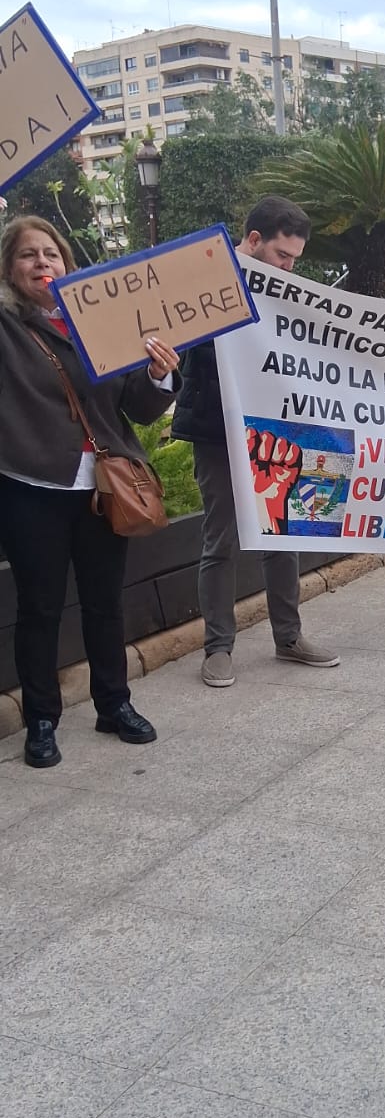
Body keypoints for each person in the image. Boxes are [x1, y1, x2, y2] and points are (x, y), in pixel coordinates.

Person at [0, 216, 180, 768]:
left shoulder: (97, 323)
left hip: (105, 487)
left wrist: (157, 375)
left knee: (105, 603)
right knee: (40, 609)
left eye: (51, 255)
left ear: (67, 265)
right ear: (9, 268)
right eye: (29, 256)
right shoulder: (5, 326)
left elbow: (139, 408)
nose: (42, 264)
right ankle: (42, 720)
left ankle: (113, 703)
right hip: (33, 489)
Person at [171, 195, 338, 689]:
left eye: (295, 260)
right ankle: (218, 647)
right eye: (283, 256)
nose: (289, 266)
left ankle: (289, 637)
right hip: (216, 429)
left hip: (273, 429)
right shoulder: (208, 283)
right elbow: (187, 349)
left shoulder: (287, 293)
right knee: (220, 538)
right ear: (253, 241)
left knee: (280, 529)